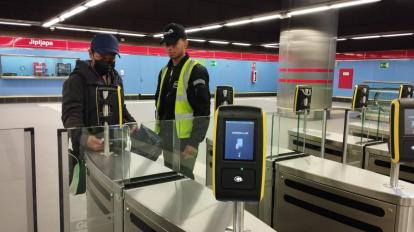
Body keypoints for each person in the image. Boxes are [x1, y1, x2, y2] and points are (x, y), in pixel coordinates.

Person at [62, 34, 136, 152]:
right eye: (101, 57)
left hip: (116, 147)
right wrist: (84, 138)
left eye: (111, 59)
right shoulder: (76, 80)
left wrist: (131, 122)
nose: (106, 62)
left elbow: (121, 107)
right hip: (88, 151)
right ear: (90, 53)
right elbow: (71, 115)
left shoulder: (116, 79)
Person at [155, 23, 211, 179]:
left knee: (184, 177)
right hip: (167, 136)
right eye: (167, 44)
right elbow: (160, 104)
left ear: (185, 42)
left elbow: (203, 111)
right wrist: (159, 134)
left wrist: (194, 142)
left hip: (185, 139)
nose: (169, 47)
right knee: (169, 174)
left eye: (174, 43)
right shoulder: (164, 71)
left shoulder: (196, 70)